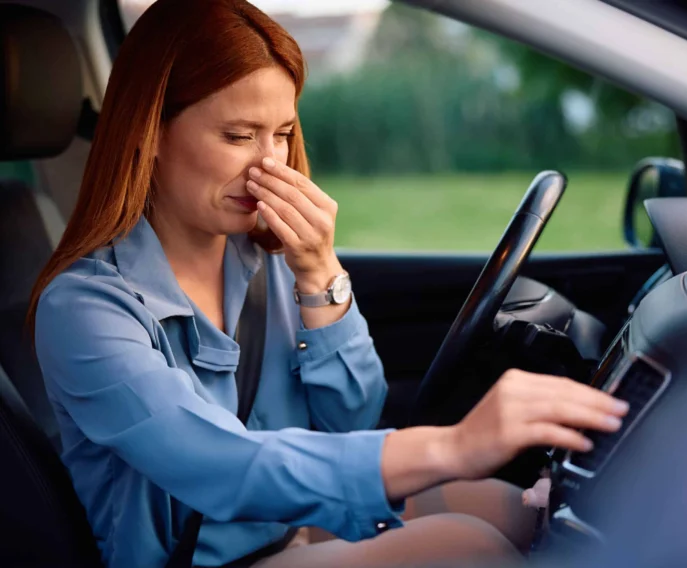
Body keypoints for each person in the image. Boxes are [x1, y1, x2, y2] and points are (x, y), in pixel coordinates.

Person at [29, 1, 629, 566]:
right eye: (239, 136)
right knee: (465, 545)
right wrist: (453, 445)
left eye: (282, 133)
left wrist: (320, 273)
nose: (271, 164)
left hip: (292, 525)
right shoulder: (85, 308)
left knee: (512, 509)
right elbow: (223, 467)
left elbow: (351, 421)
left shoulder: (265, 260)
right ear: (151, 133)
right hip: (210, 559)